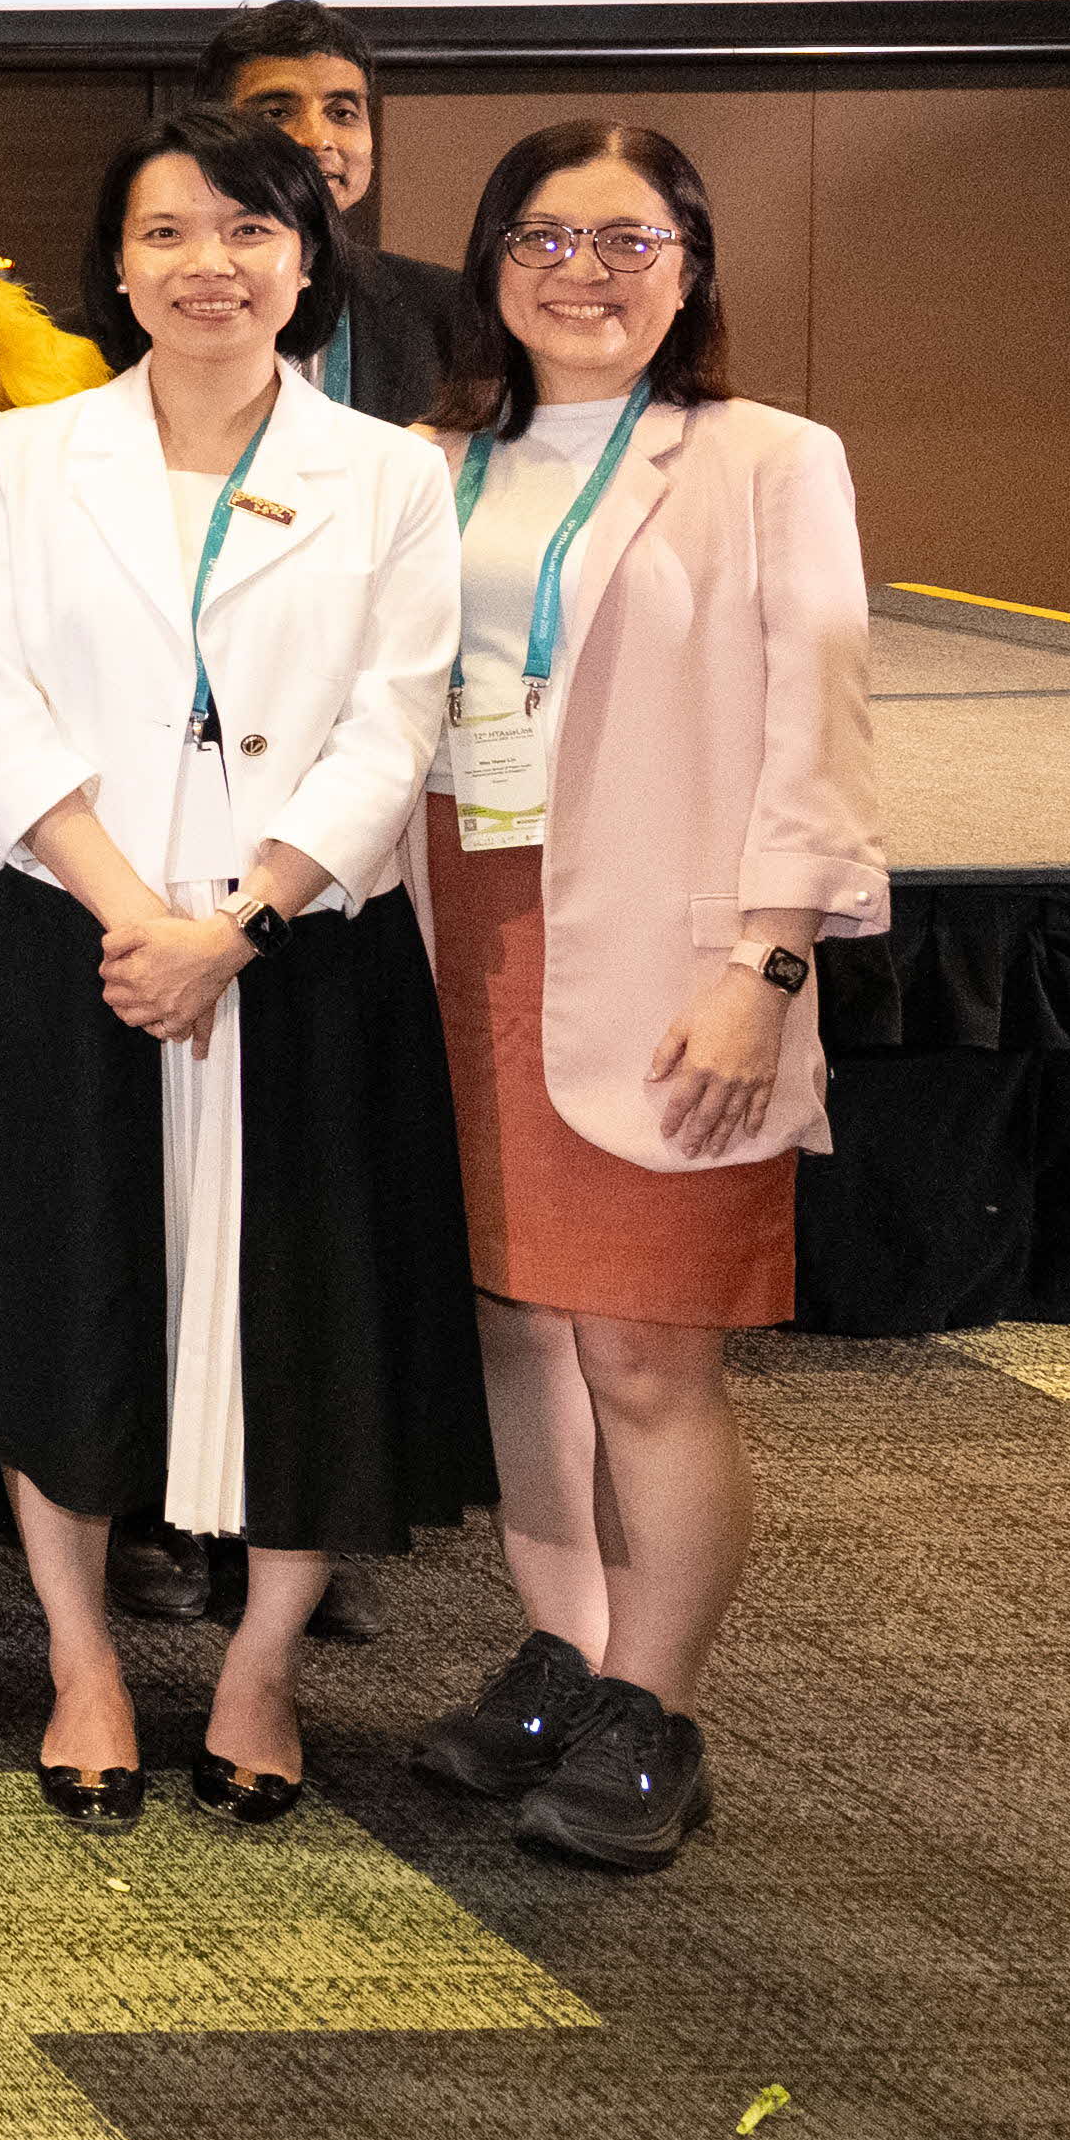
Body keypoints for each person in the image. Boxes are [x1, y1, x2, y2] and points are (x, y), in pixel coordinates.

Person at [0, 106, 488, 1827]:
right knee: (61, 1299)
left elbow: (393, 729)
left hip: (298, 950)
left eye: (248, 230)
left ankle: (260, 1667)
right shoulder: (33, 457)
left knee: (309, 1310)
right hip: (73, 939)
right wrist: (136, 923)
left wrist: (234, 930)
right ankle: (81, 1659)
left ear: (308, 262)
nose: (206, 264)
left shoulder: (389, 475)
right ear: (117, 262)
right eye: (166, 232)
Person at [407, 122, 882, 1878]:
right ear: (489, 264)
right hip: (458, 929)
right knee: (517, 1329)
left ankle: (656, 1709)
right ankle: (566, 1654)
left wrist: (768, 966)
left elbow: (821, 731)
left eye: (626, 240)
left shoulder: (770, 460)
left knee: (644, 1353)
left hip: (674, 961)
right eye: (543, 238)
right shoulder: (430, 461)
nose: (582, 273)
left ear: (690, 268)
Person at [201, 0, 478, 426]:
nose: (317, 139)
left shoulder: (452, 314)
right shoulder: (127, 316)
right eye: (277, 113)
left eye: (342, 113)